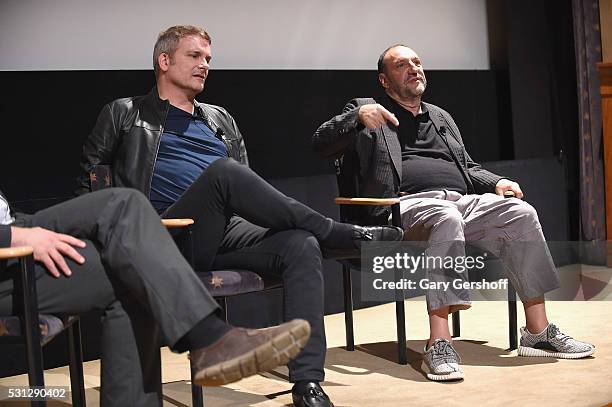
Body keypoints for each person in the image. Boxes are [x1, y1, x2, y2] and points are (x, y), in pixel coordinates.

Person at [76, 25, 402, 407]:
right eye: (194, 57)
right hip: (164, 237)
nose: (204, 66)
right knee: (223, 174)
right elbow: (91, 180)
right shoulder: (124, 113)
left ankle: (308, 384)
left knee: (301, 244)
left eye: (208, 60)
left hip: (223, 232)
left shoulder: (219, 119)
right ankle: (340, 235)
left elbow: (247, 190)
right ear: (164, 61)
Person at [312, 44, 595, 382]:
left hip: (459, 202)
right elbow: (320, 143)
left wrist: (497, 181)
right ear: (384, 81)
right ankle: (440, 342)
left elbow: (468, 168)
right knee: (445, 216)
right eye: (402, 65)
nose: (414, 68)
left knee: (521, 212)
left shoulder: (440, 116)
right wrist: (355, 120)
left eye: (417, 62)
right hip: (402, 209)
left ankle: (537, 331)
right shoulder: (366, 109)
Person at [0, 188, 311, 405]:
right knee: (132, 266)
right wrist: (13, 235)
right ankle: (210, 338)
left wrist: (16, 227)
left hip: (14, 223)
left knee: (127, 211)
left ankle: (210, 339)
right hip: (8, 246)